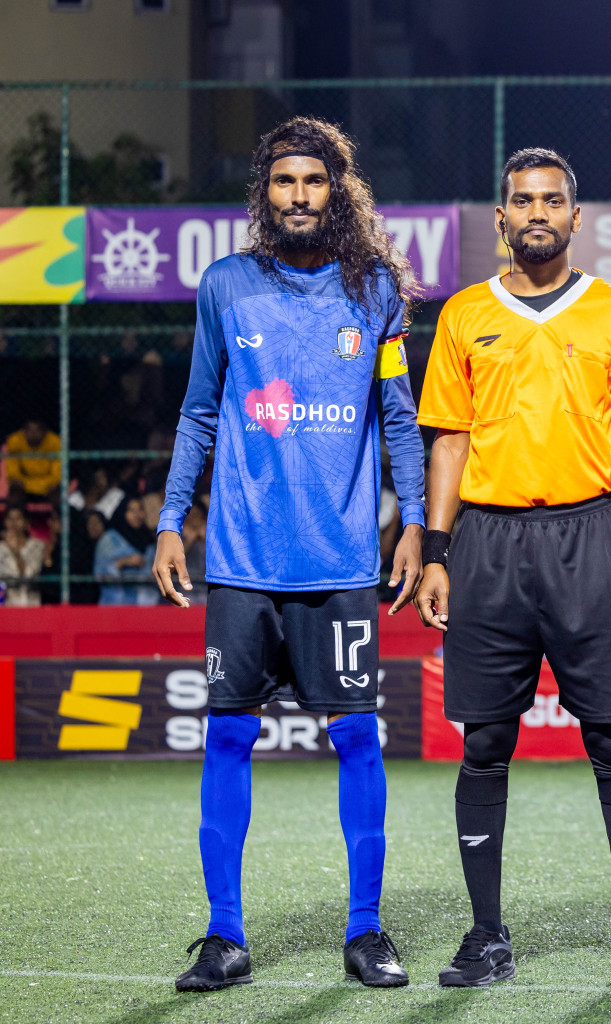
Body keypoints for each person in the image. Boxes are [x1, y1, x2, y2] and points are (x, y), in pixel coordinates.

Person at [150, 116, 426, 992]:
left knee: (357, 739)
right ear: (264, 193)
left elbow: (398, 417)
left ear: (337, 191)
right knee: (227, 736)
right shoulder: (226, 285)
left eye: (314, 180)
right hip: (241, 561)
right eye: (284, 181)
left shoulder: (376, 291)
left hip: (340, 564)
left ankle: (366, 930)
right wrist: (170, 520)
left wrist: (416, 521)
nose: (299, 195)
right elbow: (199, 410)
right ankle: (224, 935)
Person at [414, 148, 611, 989]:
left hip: (592, 537)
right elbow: (449, 441)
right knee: (486, 742)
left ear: (575, 217)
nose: (537, 214)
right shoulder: (463, 315)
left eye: (552, 201)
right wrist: (437, 550)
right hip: (487, 543)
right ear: (501, 218)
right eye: (522, 201)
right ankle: (486, 934)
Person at [96, 496, 157, 606]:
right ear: (123, 512)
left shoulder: (149, 540)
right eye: (131, 510)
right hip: (117, 604)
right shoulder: (110, 538)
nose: (137, 515)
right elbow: (99, 573)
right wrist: (124, 562)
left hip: (146, 606)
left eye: (140, 509)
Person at [0, 505, 49, 606]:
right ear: (5, 522)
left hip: (32, 605)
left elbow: (28, 575)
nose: (14, 522)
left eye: (18, 518)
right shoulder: (1, 548)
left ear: (26, 523)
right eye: (10, 518)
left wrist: (15, 552)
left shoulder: (37, 546)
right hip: (8, 606)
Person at [4, 419, 61, 500]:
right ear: (24, 431)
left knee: (59, 499)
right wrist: (24, 484)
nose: (33, 434)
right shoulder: (15, 440)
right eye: (30, 430)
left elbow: (57, 475)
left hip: (49, 486)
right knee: (14, 498)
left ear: (45, 432)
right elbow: (13, 472)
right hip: (23, 486)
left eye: (37, 430)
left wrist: (48, 485)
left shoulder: (55, 441)